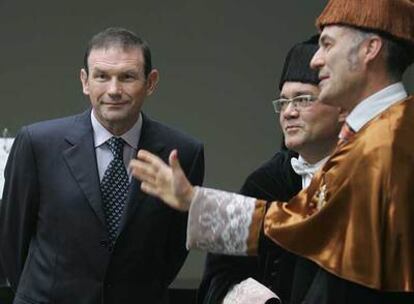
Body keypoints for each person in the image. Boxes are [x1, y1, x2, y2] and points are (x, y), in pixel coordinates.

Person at [130, 0, 414, 302]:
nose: (317, 60)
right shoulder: (381, 133)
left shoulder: (383, 143)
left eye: (328, 44)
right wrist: (195, 201)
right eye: (284, 102)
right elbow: (298, 222)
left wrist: (195, 201)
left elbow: (301, 227)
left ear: (370, 48)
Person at [0, 27, 204, 304]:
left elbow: (174, 249)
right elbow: (12, 240)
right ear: (85, 81)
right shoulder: (37, 144)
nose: (114, 90)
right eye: (102, 76)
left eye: (128, 77)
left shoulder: (182, 153)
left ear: (151, 82)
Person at [197, 36, 346, 304]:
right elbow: (217, 276)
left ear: (341, 107)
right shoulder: (263, 184)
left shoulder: (371, 174)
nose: (289, 112)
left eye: (302, 99)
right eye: (283, 102)